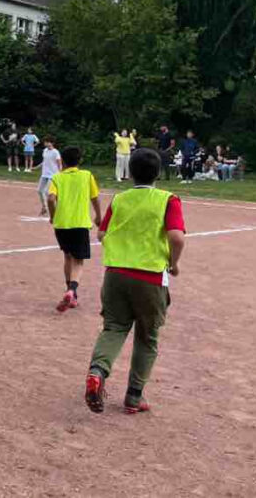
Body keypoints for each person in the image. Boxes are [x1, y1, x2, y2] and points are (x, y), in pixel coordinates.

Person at [84, 148, 186, 415]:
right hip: (149, 276)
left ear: (130, 172)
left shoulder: (120, 199)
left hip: (115, 274)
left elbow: (102, 233)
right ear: (158, 174)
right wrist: (173, 264)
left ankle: (97, 371)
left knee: (114, 327)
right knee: (147, 336)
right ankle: (134, 396)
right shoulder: (168, 199)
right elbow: (176, 237)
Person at [47, 146, 102, 312]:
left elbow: (50, 198)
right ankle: (72, 290)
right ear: (80, 161)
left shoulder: (57, 178)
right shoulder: (87, 176)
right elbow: (95, 198)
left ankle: (69, 291)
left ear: (62, 161)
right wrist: (99, 215)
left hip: (62, 224)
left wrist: (53, 215)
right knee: (78, 261)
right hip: (80, 224)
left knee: (67, 256)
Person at [38, 137, 62, 217]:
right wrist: (37, 167)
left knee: (47, 191)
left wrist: (60, 173)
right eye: (45, 142)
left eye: (48, 142)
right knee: (39, 190)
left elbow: (59, 163)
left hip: (53, 175)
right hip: (44, 174)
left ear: (52, 143)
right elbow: (44, 161)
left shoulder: (56, 152)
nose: (46, 143)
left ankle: (51, 209)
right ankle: (44, 207)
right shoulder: (45, 151)